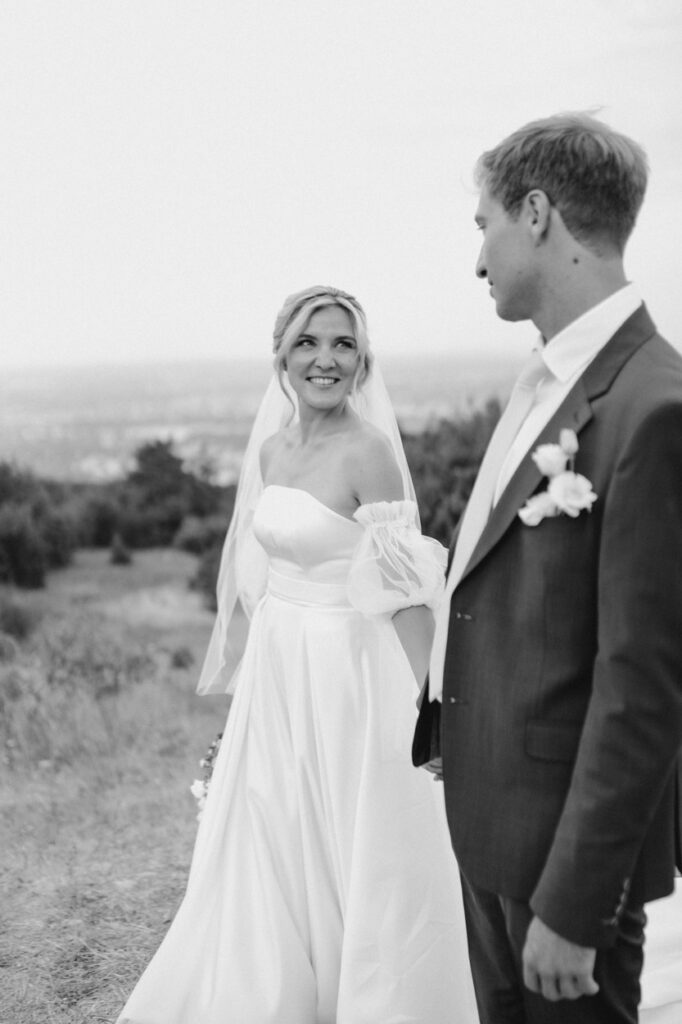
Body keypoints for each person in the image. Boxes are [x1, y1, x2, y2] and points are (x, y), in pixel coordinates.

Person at [117, 286, 479, 1024]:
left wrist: (433, 701)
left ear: (363, 361)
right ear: (281, 354)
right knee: (272, 826)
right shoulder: (273, 448)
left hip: (349, 671)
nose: (326, 359)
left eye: (344, 344)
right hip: (279, 666)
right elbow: (266, 568)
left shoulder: (369, 453)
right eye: (309, 342)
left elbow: (405, 590)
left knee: (355, 834)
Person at [413, 112, 682, 1023]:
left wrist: (576, 904)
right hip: (491, 828)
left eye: (484, 225)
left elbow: (643, 685)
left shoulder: (654, 406)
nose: (477, 260)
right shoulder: (548, 381)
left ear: (535, 214)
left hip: (565, 864)